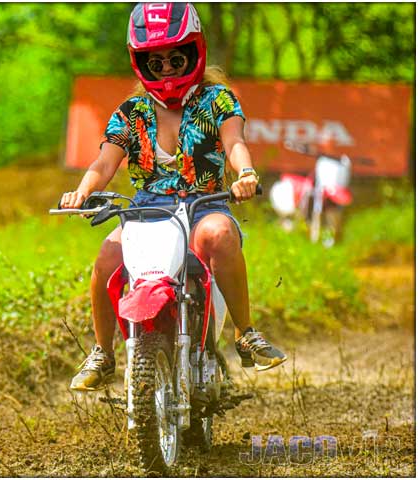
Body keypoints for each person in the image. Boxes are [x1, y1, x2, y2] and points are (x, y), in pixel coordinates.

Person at [61, 2, 287, 391]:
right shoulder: (130, 113)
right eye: (156, 61)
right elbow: (104, 163)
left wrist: (245, 173)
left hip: (205, 204)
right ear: (142, 63)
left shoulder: (217, 100)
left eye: (175, 58)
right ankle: (102, 352)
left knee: (221, 235)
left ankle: (244, 333)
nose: (166, 68)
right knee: (107, 255)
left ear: (193, 53)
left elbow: (235, 144)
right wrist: (82, 192)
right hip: (147, 212)